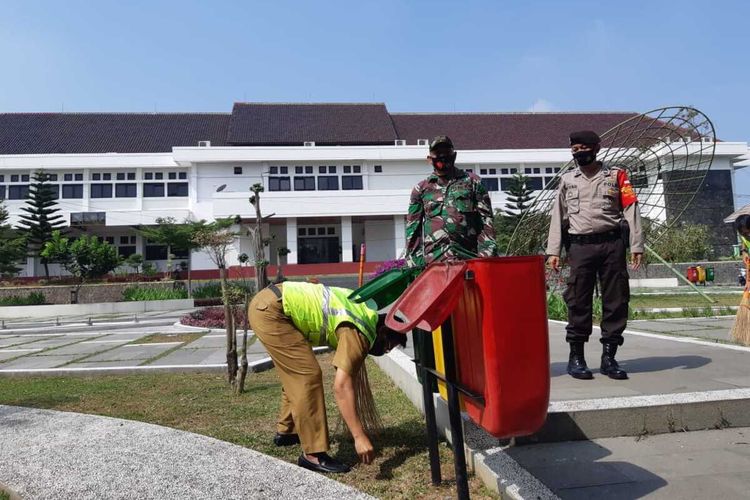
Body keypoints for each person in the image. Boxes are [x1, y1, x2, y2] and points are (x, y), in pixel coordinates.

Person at [248, 280, 407, 474]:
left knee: (296, 372)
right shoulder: (360, 330)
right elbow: (342, 386)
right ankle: (313, 455)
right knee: (307, 376)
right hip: (273, 311)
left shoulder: (363, 312)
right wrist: (359, 436)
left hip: (270, 302)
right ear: (383, 332)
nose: (386, 351)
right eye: (389, 346)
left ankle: (287, 431)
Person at [546, 130, 644, 380]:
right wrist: (553, 251)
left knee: (616, 300)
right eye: (574, 148)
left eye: (583, 147)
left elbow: (631, 209)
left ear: (597, 148)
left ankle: (609, 357)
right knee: (578, 300)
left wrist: (636, 245)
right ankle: (576, 358)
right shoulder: (568, 179)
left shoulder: (616, 176)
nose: (579, 152)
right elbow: (558, 215)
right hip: (580, 247)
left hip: (611, 245)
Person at [404, 135, 498, 266]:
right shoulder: (421, 189)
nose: (443, 156)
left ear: (454, 155)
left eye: (447, 152)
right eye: (438, 153)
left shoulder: (473, 182)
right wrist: (415, 262)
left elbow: (486, 222)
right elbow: (413, 229)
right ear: (429, 159)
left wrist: (486, 257)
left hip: (469, 259)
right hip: (434, 263)